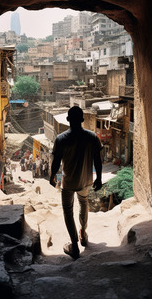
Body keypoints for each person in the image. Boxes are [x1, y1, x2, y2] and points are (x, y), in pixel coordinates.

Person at [50, 106, 102, 260]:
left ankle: (74, 245)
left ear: (67, 120)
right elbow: (97, 160)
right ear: (82, 120)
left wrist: (52, 176)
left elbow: (56, 162)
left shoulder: (61, 139)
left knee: (68, 210)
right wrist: (99, 177)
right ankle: (83, 233)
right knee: (84, 203)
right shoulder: (92, 137)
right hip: (86, 180)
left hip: (68, 182)